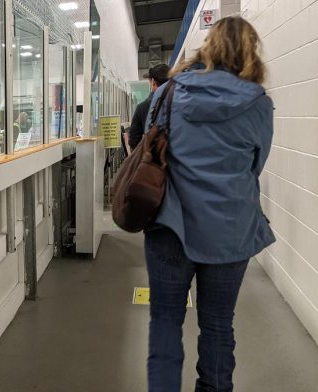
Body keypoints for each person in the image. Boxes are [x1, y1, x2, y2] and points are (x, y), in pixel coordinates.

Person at [144, 16, 274, 392]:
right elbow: (255, 165)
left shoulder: (167, 93)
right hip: (231, 232)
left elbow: (149, 150)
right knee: (218, 325)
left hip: (171, 226)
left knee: (165, 323)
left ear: (208, 46)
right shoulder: (259, 104)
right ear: (251, 52)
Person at [130, 64, 170, 151]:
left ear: (152, 82)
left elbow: (133, 140)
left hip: (153, 161)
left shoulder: (143, 107)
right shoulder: (180, 103)